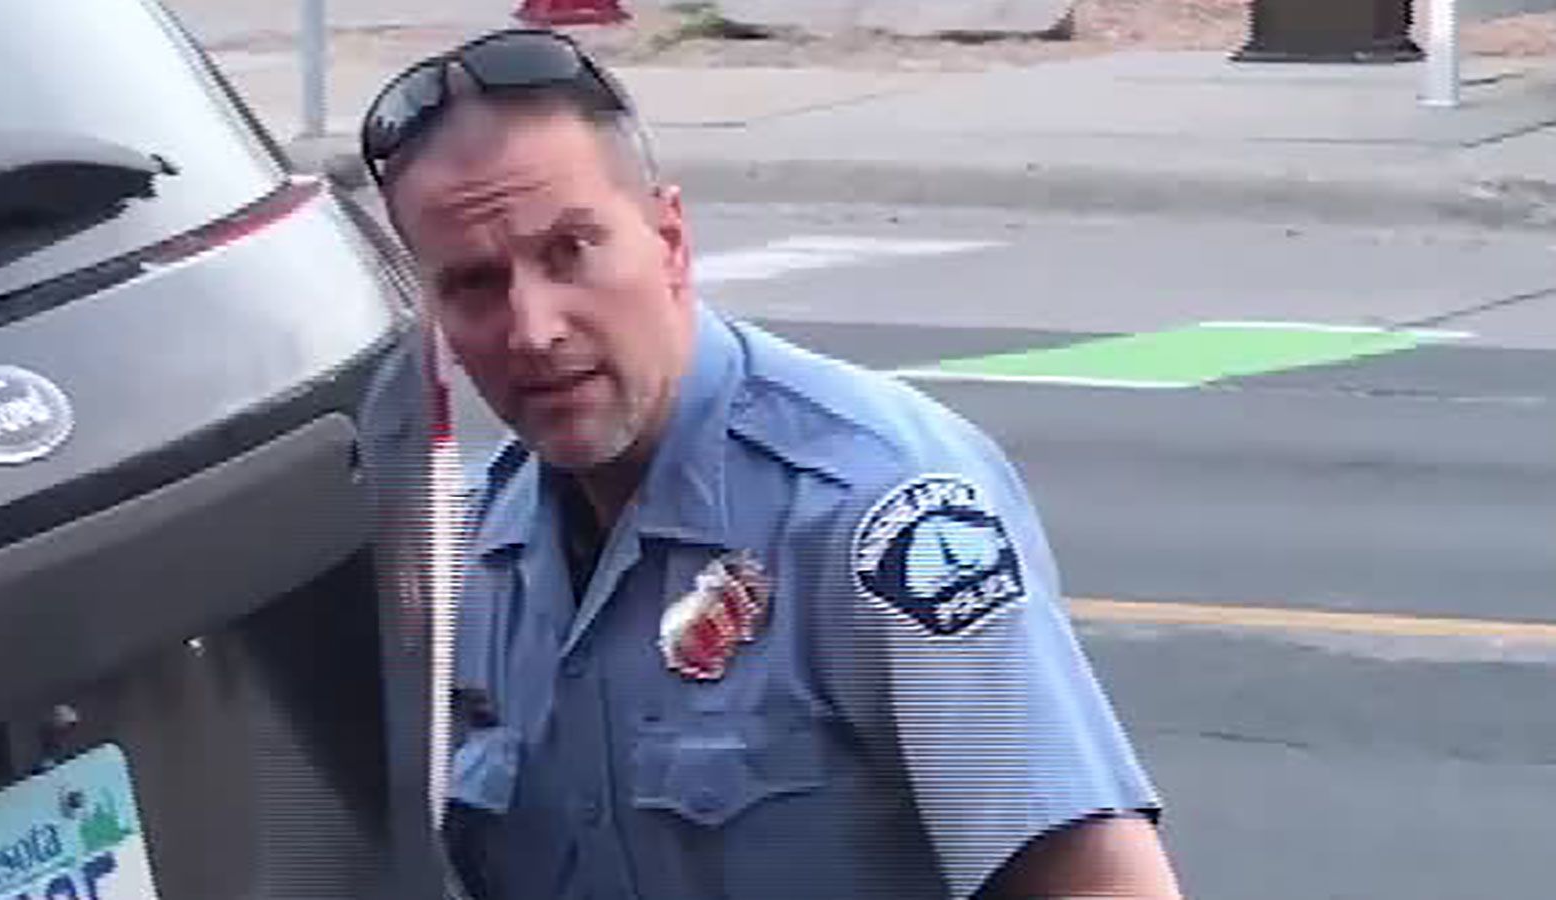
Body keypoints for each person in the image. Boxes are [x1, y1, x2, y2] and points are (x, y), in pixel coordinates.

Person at [359, 28, 1182, 900]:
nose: (534, 329)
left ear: (670, 240)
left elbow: (1098, 885)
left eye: (571, 251)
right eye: (475, 285)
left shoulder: (873, 508)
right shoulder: (477, 553)